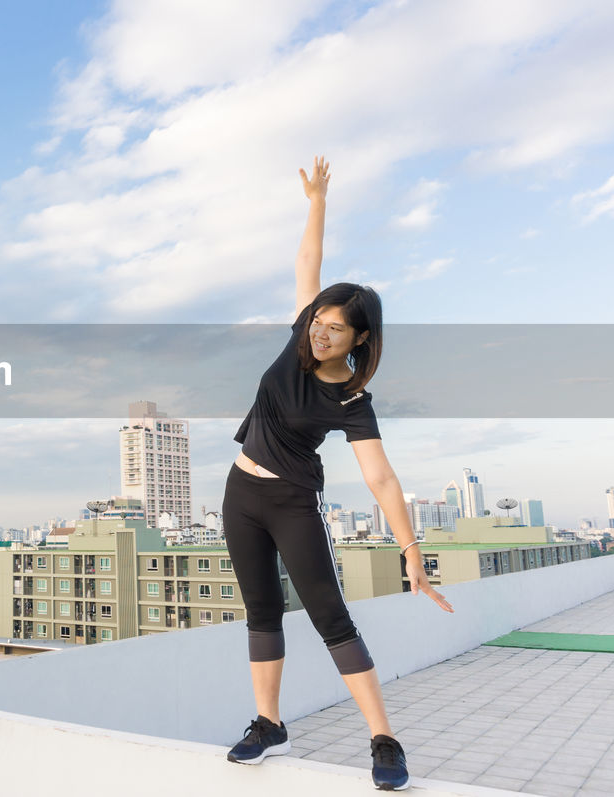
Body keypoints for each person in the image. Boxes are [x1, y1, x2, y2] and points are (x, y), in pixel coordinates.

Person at [222, 156, 455, 791]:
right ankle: (268, 725)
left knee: (331, 617)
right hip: (239, 493)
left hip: (293, 502)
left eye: (335, 330)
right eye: (319, 322)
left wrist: (410, 548)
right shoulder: (300, 333)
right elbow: (308, 264)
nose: (321, 334)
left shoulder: (350, 400)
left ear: (358, 339)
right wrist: (317, 199)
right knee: (260, 610)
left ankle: (383, 738)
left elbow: (381, 478)